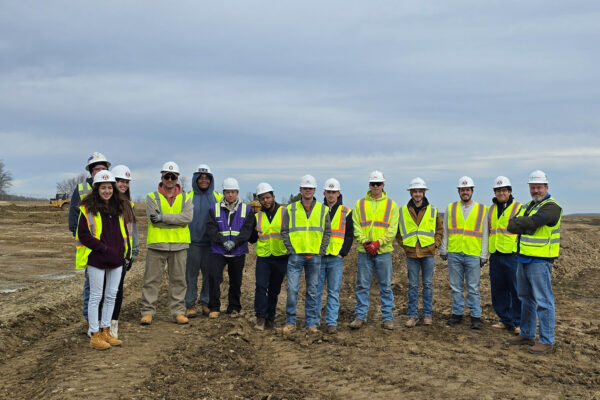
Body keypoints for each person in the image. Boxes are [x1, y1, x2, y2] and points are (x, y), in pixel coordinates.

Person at [506, 170, 562, 354]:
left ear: (546, 187)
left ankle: (546, 340)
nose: (535, 190)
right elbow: (511, 225)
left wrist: (526, 224)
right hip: (522, 258)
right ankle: (527, 333)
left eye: (539, 187)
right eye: (533, 187)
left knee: (543, 301)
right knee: (526, 299)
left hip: (540, 261)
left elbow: (535, 222)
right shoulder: (527, 206)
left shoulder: (553, 207)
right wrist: (527, 223)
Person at [76, 170, 128, 350]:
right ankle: (95, 333)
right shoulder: (87, 209)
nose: (107, 191)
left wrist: (123, 252)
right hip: (97, 259)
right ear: (97, 189)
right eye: (103, 188)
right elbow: (83, 235)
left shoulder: (118, 208)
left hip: (116, 259)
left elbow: (123, 233)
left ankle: (107, 331)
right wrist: (103, 248)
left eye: (109, 187)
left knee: (111, 296)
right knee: (95, 297)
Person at [140, 161, 193, 325]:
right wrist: (176, 221)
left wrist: (163, 217)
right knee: (151, 280)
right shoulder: (152, 197)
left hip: (179, 246)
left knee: (178, 281)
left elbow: (187, 219)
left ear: (177, 178)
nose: (169, 179)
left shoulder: (186, 197)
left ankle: (178, 312)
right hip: (157, 245)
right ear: (162, 177)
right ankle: (147, 312)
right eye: (166, 176)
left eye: (173, 176)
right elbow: (154, 221)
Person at [281, 175, 331, 334]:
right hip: (296, 256)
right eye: (305, 188)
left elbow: (327, 232)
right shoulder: (291, 208)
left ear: (314, 190)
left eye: (310, 188)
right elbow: (284, 231)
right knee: (292, 290)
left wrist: (321, 251)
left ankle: (311, 323)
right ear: (300, 190)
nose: (307, 191)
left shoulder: (323, 209)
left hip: (315, 257)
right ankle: (290, 322)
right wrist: (291, 249)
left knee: (312, 291)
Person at [349, 170, 399, 330]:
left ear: (383, 185)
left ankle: (387, 318)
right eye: (373, 184)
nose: (375, 186)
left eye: (378, 184)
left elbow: (392, 229)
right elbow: (356, 225)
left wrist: (378, 243)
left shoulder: (391, 205)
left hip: (383, 252)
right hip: (365, 252)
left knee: (385, 285)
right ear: (369, 185)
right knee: (362, 285)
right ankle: (360, 316)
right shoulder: (360, 204)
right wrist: (365, 242)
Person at [68, 152, 111, 333]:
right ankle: (90, 320)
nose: (99, 171)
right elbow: (73, 218)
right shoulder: (81, 190)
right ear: (91, 172)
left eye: (103, 169)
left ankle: (103, 320)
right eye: (96, 169)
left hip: (107, 245)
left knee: (107, 284)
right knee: (91, 286)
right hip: (89, 246)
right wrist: (80, 235)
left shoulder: (110, 187)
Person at [440, 176, 489, 330]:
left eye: (467, 189)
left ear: (472, 191)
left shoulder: (482, 209)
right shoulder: (451, 208)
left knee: (473, 287)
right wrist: (444, 248)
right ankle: (457, 313)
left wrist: (484, 254)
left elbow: (485, 233)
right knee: (455, 286)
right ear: (459, 191)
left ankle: (476, 315)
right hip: (454, 252)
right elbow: (446, 231)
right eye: (462, 189)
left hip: (473, 253)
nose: (465, 192)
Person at [396, 178, 443, 327]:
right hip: (411, 254)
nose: (417, 194)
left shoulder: (433, 210)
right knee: (413, 286)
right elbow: (398, 232)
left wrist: (435, 244)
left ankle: (427, 315)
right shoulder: (402, 211)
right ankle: (413, 316)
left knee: (428, 285)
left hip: (428, 253)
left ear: (424, 192)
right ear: (411, 193)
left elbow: (439, 230)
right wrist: (404, 245)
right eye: (415, 191)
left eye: (420, 191)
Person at [206, 178, 254, 318]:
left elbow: (247, 230)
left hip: (238, 251)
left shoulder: (247, 209)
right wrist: (222, 242)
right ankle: (214, 307)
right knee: (214, 279)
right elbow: (211, 229)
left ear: (237, 193)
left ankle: (234, 307)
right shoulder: (214, 209)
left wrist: (235, 243)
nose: (230, 195)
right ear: (224, 193)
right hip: (218, 251)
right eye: (227, 192)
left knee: (236, 281)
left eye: (233, 192)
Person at [315, 178, 353, 334]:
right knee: (315, 291)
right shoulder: (317, 210)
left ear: (338, 193)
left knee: (333, 292)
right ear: (324, 193)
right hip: (319, 257)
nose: (331, 195)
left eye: (334, 192)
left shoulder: (346, 211)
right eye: (328, 192)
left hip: (335, 259)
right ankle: (315, 321)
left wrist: (342, 253)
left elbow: (350, 235)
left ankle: (331, 322)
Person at [249, 182, 289, 330]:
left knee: (274, 289)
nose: (265, 201)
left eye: (267, 197)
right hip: (264, 256)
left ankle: (270, 318)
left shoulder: (285, 212)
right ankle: (260, 318)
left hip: (281, 256)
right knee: (260, 286)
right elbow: (252, 239)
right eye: (262, 198)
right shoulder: (257, 216)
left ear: (273, 196)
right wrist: (253, 231)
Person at [184, 164, 223, 318]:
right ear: (196, 179)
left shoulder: (218, 197)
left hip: (211, 244)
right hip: (192, 243)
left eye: (207, 178)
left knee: (209, 275)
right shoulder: (188, 197)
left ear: (211, 179)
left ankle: (205, 303)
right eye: (201, 178)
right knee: (191, 276)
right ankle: (190, 304)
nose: (204, 180)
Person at [108, 165, 139, 339]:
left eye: (126, 182)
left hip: (123, 256)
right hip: (108, 254)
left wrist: (132, 252)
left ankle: (113, 325)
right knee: (104, 291)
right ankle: (98, 326)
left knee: (117, 291)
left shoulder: (129, 204)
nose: (124, 184)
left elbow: (133, 230)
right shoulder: (107, 203)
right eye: (120, 181)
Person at [488, 176, 522, 334]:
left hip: (512, 255)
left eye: (504, 190)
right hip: (495, 254)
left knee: (515, 289)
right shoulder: (491, 209)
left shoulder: (519, 208)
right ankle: (505, 319)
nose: (501, 193)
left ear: (509, 191)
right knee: (498, 289)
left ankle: (518, 322)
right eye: (498, 190)